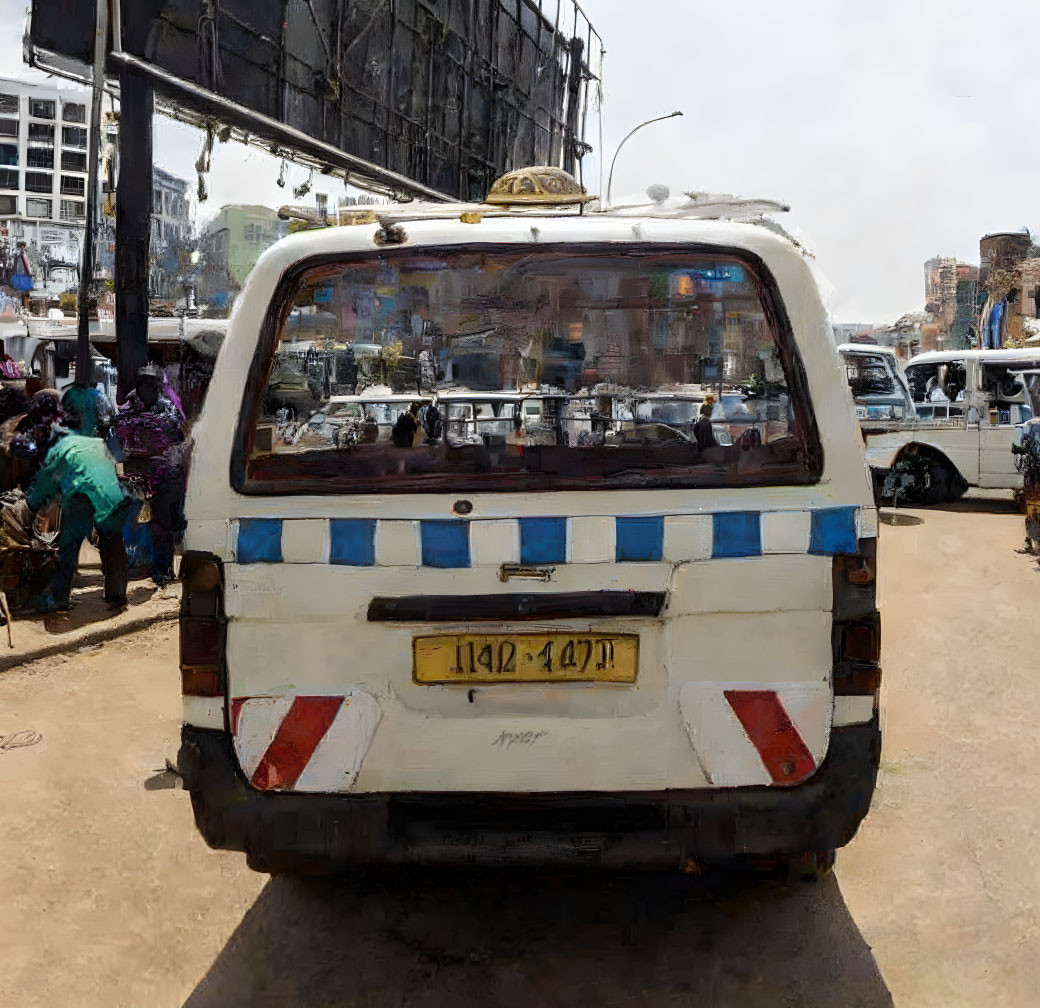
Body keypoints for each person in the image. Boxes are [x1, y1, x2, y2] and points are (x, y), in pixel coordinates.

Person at [27, 427, 129, 613]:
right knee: (113, 545)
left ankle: (60, 601)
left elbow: (45, 481)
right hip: (110, 496)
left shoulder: (59, 449)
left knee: (69, 547)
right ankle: (117, 596)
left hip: (81, 499)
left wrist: (31, 505)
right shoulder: (98, 444)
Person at [115, 365, 187, 587]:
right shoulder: (128, 409)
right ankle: (134, 566)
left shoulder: (169, 410)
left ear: (158, 386)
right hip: (133, 476)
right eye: (143, 383)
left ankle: (161, 571)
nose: (147, 388)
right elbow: (120, 436)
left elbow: (177, 438)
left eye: (151, 384)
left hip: (163, 478)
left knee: (161, 527)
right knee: (129, 525)